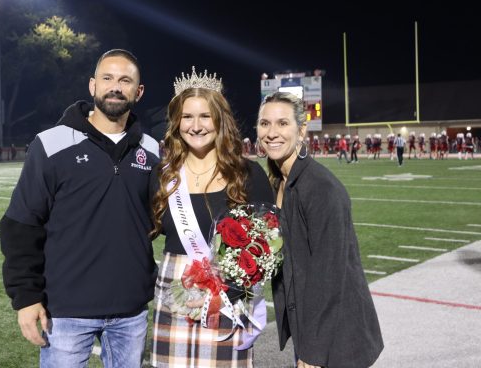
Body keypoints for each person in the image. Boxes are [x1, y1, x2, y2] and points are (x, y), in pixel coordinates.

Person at [0, 49, 160, 368]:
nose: (115, 86)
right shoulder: (51, 144)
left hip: (130, 310)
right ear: (92, 86)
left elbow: (164, 219)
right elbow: (21, 225)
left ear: (138, 92)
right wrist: (26, 297)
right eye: (107, 78)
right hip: (66, 311)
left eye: (125, 80)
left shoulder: (153, 151)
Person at [150, 67, 274, 367]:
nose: (195, 125)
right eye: (187, 116)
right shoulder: (161, 177)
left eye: (205, 116)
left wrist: (225, 293)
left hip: (229, 299)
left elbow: (266, 246)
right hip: (174, 296)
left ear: (220, 119)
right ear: (176, 121)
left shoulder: (248, 174)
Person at [256, 92, 383, 368]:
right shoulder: (279, 182)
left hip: (336, 338)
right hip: (308, 323)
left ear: (301, 130)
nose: (271, 132)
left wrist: (312, 352)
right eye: (265, 123)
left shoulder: (321, 188)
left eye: (282, 123)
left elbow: (329, 277)